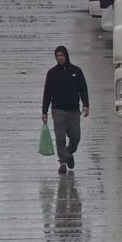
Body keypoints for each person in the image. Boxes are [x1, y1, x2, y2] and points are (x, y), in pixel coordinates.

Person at [42, 46, 90, 174]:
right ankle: (63, 162)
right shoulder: (52, 73)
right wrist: (44, 111)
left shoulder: (76, 71)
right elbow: (47, 93)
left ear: (66, 56)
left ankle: (69, 152)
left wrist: (86, 104)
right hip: (58, 111)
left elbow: (83, 89)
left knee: (76, 137)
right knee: (60, 138)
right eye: (57, 55)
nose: (59, 57)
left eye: (61, 55)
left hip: (74, 111)